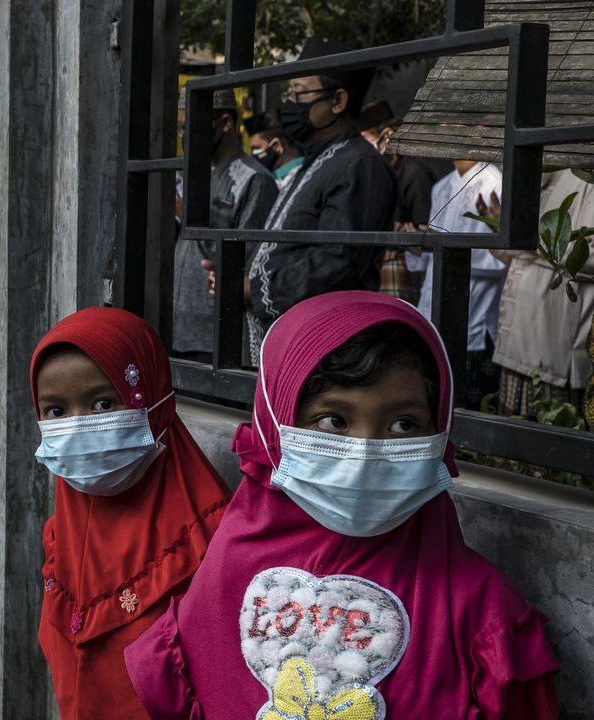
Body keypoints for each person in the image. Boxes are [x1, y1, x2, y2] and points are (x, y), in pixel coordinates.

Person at [124, 291, 559, 719]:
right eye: (334, 421)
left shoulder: (478, 608)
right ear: (274, 426)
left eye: (403, 424)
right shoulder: (226, 571)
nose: (365, 452)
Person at [31, 307, 231, 720]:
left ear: (155, 400)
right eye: (56, 411)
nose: (77, 427)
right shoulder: (60, 535)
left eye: (103, 403)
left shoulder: (213, 545)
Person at [244, 39, 398, 364]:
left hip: (329, 344)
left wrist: (258, 290)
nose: (290, 104)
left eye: (298, 93)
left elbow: (337, 259)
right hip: (299, 335)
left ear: (338, 100)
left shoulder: (359, 164)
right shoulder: (319, 159)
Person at [173, 90, 279, 361]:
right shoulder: (195, 174)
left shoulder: (254, 180)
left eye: (191, 128)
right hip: (178, 330)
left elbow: (245, 261)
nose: (186, 137)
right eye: (182, 129)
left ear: (225, 123)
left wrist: (186, 212)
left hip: (218, 335)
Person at [493, 169, 594, 418]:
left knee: (549, 434)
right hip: (519, 333)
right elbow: (519, 257)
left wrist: (530, 237)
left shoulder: (585, 177)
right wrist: (499, 231)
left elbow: (588, 257)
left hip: (553, 341)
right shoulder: (538, 178)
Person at [405, 160, 505, 409]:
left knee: (466, 407)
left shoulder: (495, 183)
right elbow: (432, 255)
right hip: (432, 307)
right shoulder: (441, 187)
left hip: (474, 315)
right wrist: (419, 244)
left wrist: (442, 245)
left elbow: (502, 260)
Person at [360, 100, 438, 305]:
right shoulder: (375, 172)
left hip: (400, 271)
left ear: (387, 136)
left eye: (365, 140)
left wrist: (400, 232)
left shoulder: (415, 173)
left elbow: (425, 231)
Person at [244, 112, 304, 191]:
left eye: (256, 148)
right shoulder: (272, 180)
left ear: (276, 146)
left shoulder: (302, 178)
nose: (253, 154)